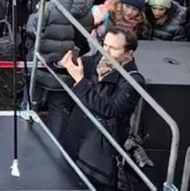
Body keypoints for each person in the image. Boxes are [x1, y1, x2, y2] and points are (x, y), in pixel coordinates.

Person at [48, 27, 143, 191]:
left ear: (129, 54)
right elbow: (57, 65)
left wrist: (80, 80)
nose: (105, 51)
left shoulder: (133, 80)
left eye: (113, 48)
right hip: (75, 137)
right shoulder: (95, 61)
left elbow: (110, 109)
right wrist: (61, 63)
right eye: (104, 45)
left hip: (100, 153)